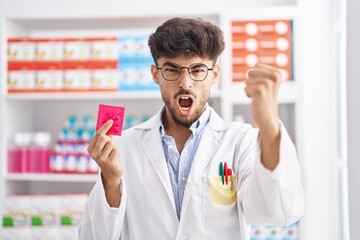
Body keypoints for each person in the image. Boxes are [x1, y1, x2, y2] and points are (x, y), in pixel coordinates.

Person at [79, 17, 304, 240]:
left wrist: (270, 126)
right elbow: (91, 237)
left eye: (197, 70)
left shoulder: (240, 142)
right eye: (171, 69)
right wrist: (110, 180)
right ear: (155, 74)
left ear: (214, 75)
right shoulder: (123, 147)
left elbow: (280, 212)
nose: (185, 83)